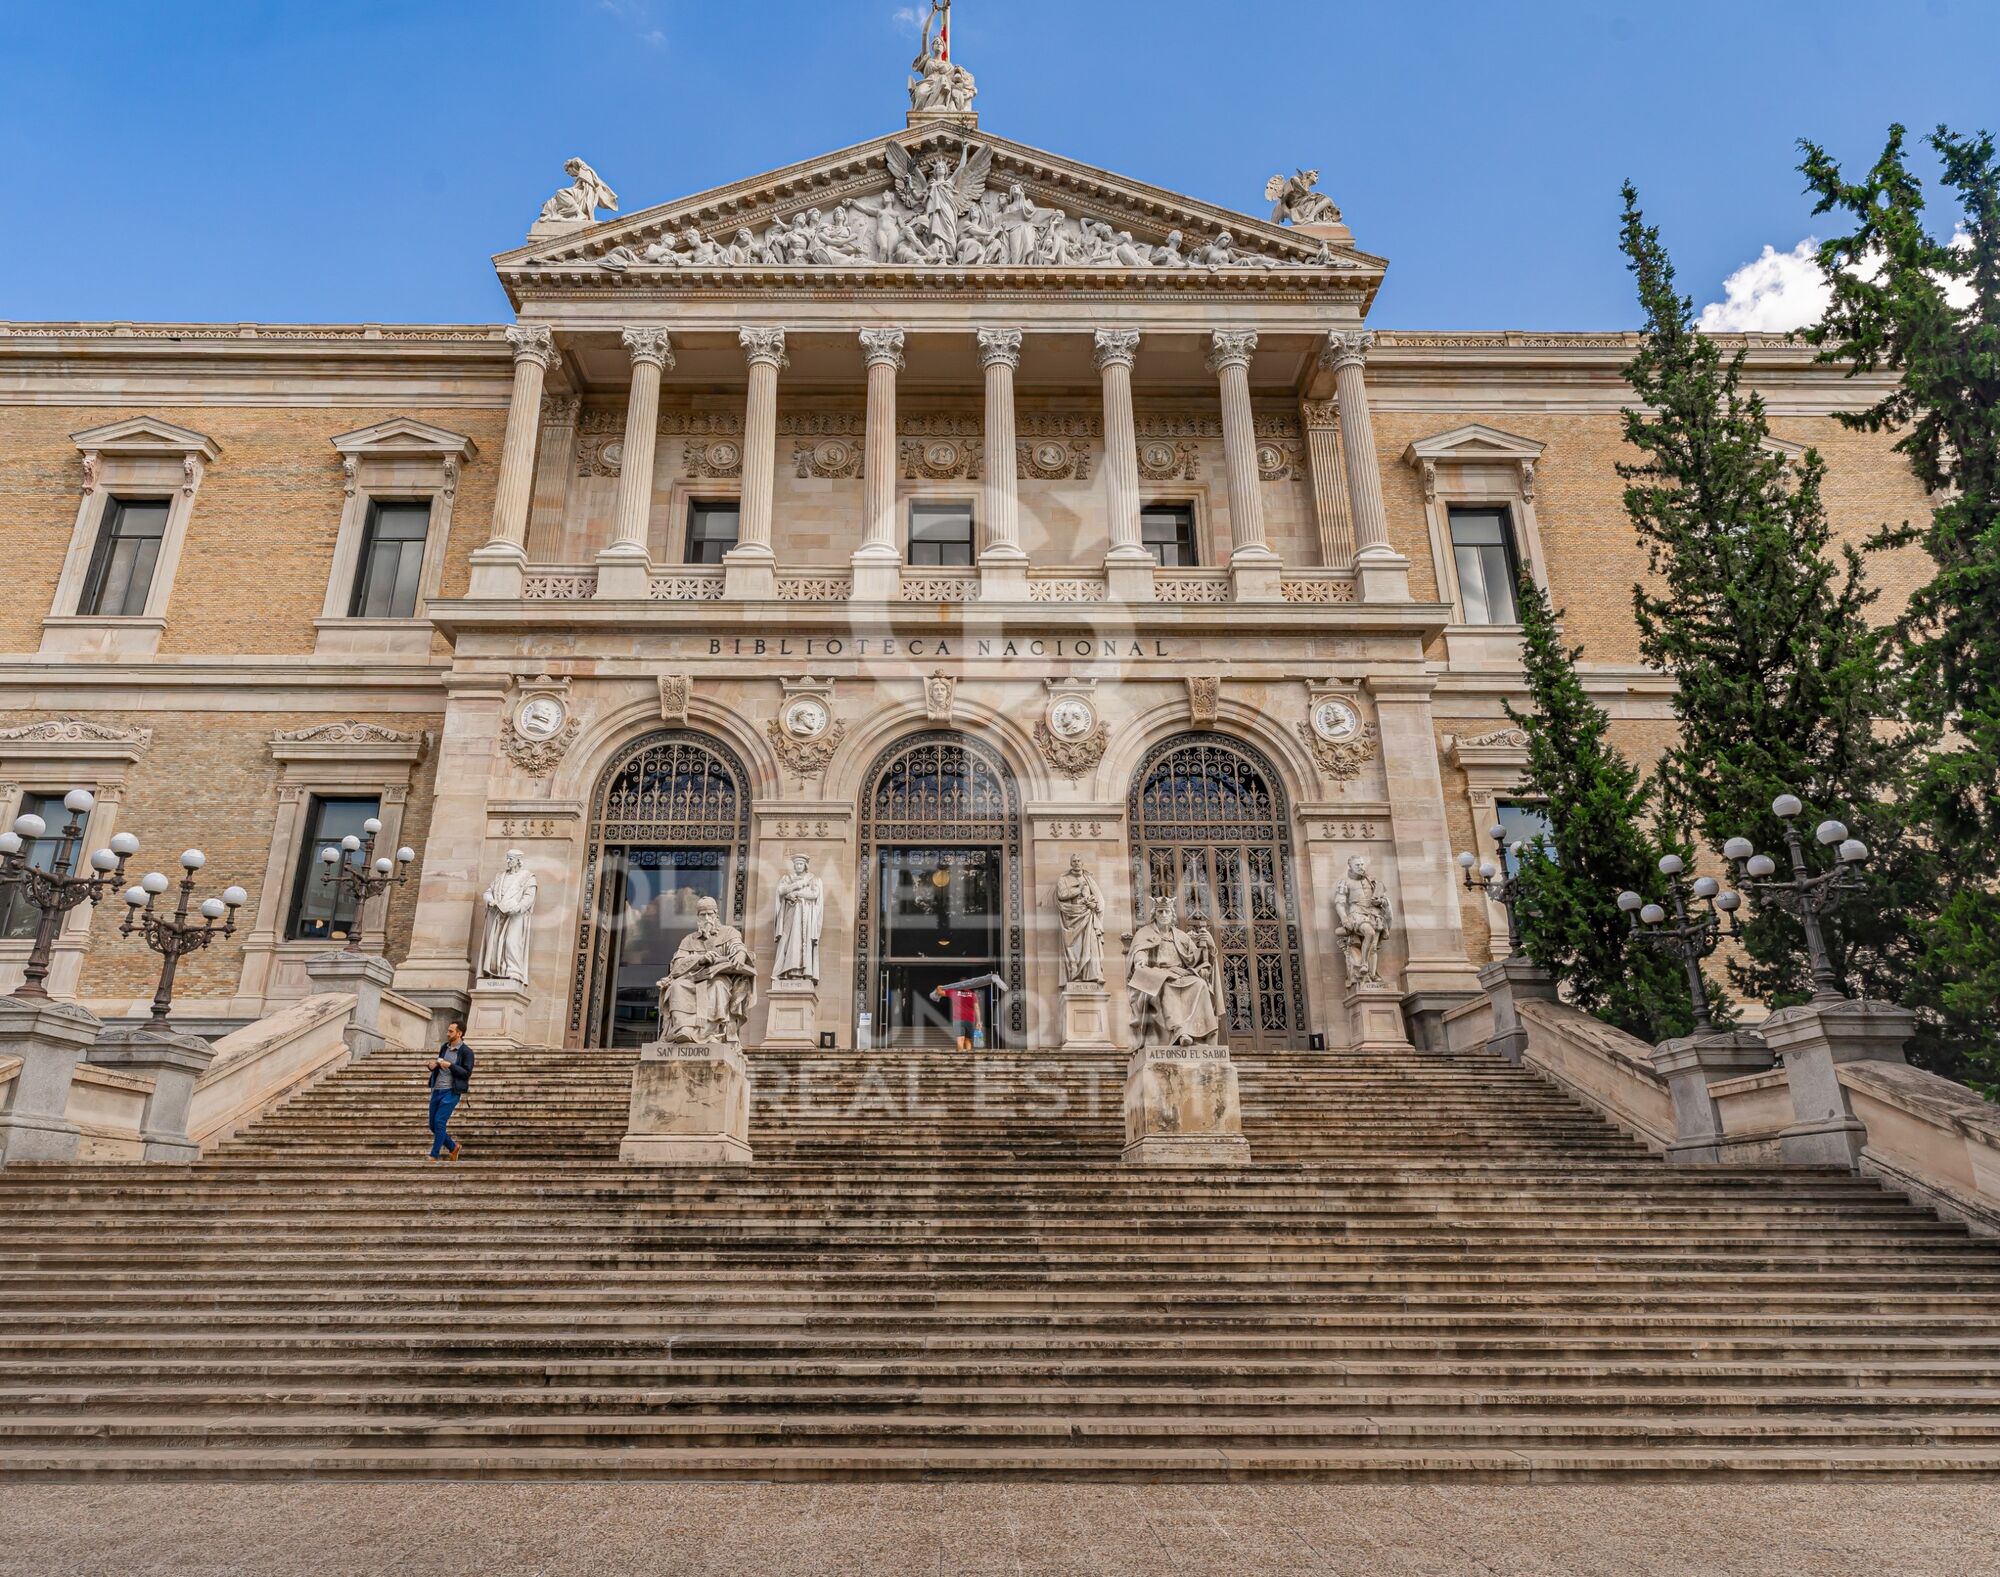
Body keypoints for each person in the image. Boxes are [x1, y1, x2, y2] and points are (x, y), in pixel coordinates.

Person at [427, 1021, 474, 1161]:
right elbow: (439, 1062)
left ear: (459, 1033)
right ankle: (453, 1147)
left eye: (451, 1031)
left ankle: (433, 1155)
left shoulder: (466, 1052)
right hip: (437, 1089)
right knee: (432, 1125)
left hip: (451, 1091)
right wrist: (433, 1065)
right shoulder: (444, 1047)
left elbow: (466, 1073)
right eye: (448, 1031)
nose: (447, 1033)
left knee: (439, 1122)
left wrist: (451, 1066)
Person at [930, 983, 982, 1051]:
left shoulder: (953, 992)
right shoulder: (973, 994)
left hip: (958, 1020)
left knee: (960, 1039)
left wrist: (938, 987)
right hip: (970, 1020)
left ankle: (959, 1057)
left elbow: (939, 992)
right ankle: (968, 1058)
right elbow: (977, 1008)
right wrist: (978, 1021)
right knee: (968, 1041)